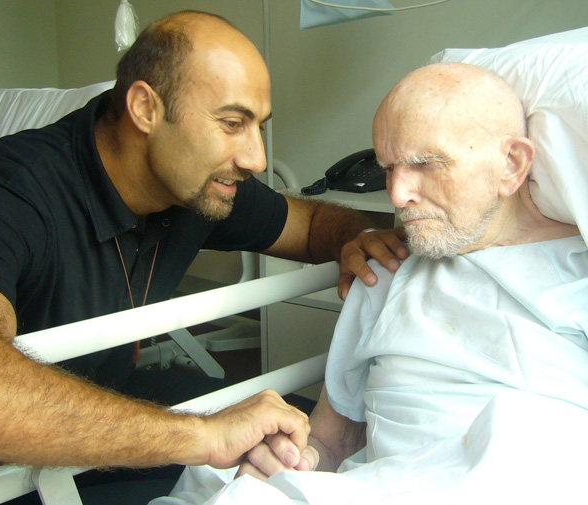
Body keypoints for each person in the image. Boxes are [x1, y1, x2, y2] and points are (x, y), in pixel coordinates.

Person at [0, 9, 409, 500]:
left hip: (113, 398)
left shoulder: (193, 186)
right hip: (9, 461)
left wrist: (360, 237)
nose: (256, 159)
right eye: (231, 123)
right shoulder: (13, 194)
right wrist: (204, 437)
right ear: (145, 108)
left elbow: (312, 224)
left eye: (258, 127)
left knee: (293, 435)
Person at [153, 62, 588, 503]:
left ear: (512, 164)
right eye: (388, 168)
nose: (397, 195)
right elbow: (332, 441)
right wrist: (294, 459)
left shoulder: (576, 278)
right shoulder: (384, 270)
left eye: (426, 164)